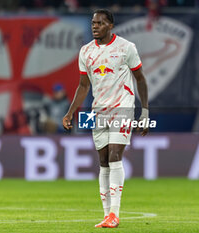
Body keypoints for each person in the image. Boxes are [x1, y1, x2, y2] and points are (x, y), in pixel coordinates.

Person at [62, 9, 149, 228]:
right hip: (97, 111)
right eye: (93, 23)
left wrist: (145, 111)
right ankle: (106, 215)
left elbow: (140, 79)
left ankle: (115, 213)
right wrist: (71, 112)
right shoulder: (85, 51)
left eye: (100, 23)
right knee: (102, 162)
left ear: (110, 25)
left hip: (123, 107)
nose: (94, 26)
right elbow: (83, 86)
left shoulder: (126, 48)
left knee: (114, 155)